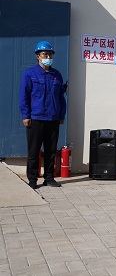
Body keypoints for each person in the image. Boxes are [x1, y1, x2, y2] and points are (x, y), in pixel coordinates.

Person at [19, 41, 67, 189]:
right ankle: (32, 179)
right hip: (36, 118)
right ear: (38, 56)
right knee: (34, 151)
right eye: (45, 54)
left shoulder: (56, 75)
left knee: (51, 151)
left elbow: (61, 97)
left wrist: (61, 114)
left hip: (53, 118)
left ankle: (49, 178)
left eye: (50, 54)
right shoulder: (29, 74)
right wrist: (26, 115)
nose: (48, 57)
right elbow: (24, 96)